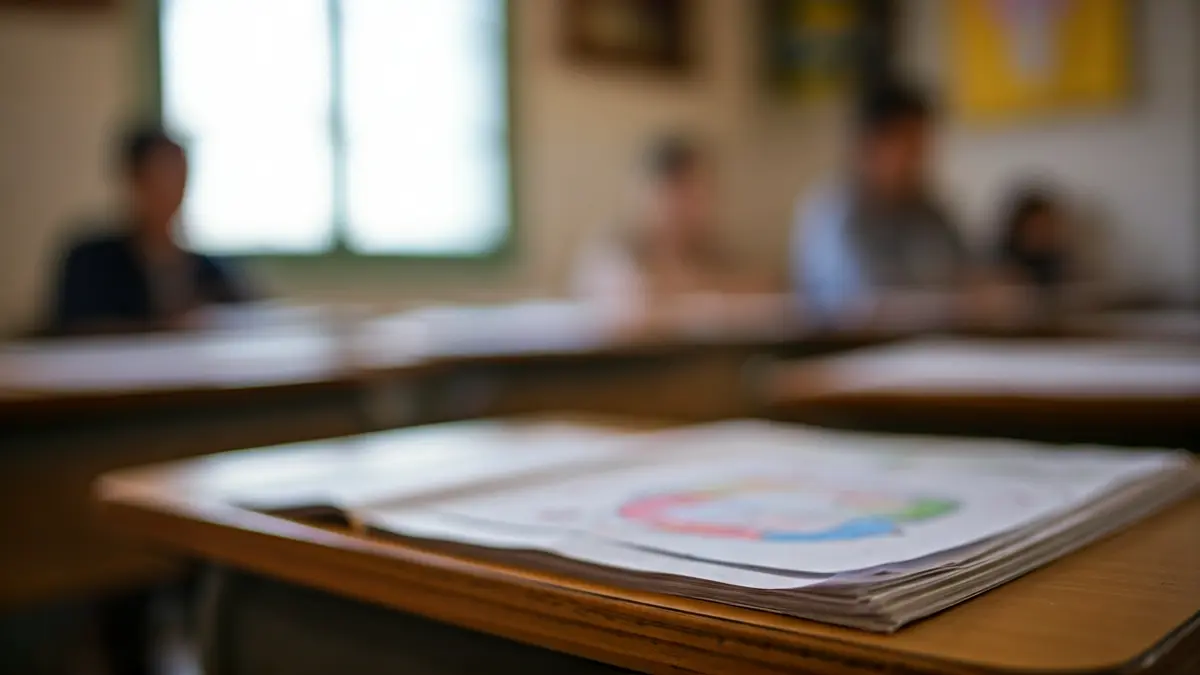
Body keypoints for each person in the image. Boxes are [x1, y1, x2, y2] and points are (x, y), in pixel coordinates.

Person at [792, 82, 972, 325]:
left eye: (923, 147)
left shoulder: (931, 211)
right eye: (909, 146)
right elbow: (850, 304)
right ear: (870, 144)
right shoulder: (833, 214)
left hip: (934, 351)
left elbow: (968, 278)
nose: (918, 160)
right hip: (850, 354)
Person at [50, 125, 252, 335]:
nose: (170, 188)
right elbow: (73, 330)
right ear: (134, 179)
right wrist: (166, 328)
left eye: (178, 175)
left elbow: (248, 313)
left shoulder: (207, 269)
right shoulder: (92, 262)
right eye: (160, 174)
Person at [575, 135, 753, 305]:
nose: (697, 206)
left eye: (703, 193)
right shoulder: (612, 249)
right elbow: (635, 296)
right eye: (685, 193)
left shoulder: (712, 251)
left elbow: (759, 286)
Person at [994, 186, 1085, 311]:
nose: (1043, 232)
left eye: (1047, 225)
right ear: (1021, 227)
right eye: (1037, 226)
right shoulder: (1003, 263)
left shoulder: (1057, 259)